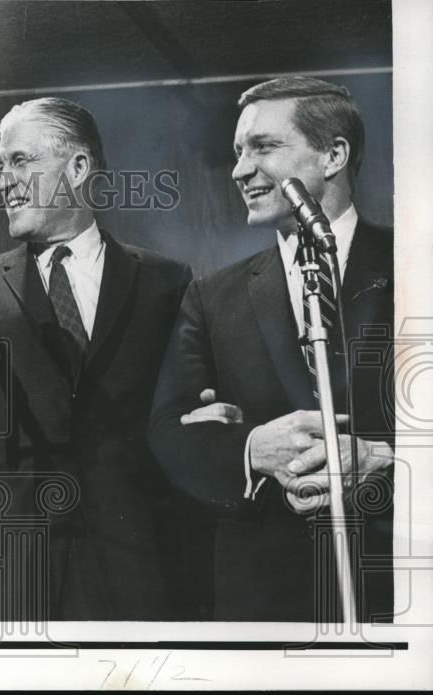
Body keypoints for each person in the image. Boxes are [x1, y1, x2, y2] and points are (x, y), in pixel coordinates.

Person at [0, 97, 192, 622]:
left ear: (78, 168)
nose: (5, 181)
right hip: (3, 572)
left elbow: (181, 420)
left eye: (21, 161)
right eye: (0, 167)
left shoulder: (167, 282)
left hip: (138, 572)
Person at [148, 76, 395, 621]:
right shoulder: (211, 296)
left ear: (333, 155)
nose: (239, 170)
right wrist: (251, 447)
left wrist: (388, 462)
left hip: (401, 588)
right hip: (263, 597)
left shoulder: (415, 265)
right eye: (238, 152)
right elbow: (165, 431)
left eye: (263, 147)